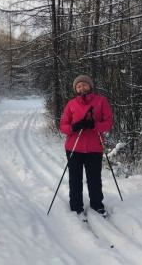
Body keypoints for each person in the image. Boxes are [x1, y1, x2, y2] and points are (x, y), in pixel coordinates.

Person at [59, 75, 113, 219]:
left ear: (90, 86)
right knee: (75, 179)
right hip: (74, 147)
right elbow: (63, 126)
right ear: (75, 89)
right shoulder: (71, 104)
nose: (82, 87)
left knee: (94, 178)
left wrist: (95, 125)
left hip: (94, 147)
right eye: (78, 86)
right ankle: (76, 207)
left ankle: (97, 205)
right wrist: (74, 126)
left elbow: (108, 122)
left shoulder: (101, 101)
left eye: (84, 85)